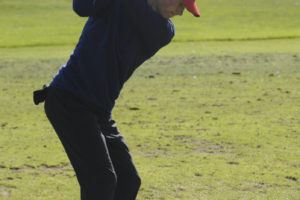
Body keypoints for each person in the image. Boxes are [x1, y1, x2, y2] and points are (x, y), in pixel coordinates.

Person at [34, 0, 200, 199]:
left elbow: (133, 8)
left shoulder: (163, 31)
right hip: (68, 100)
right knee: (101, 180)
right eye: (181, 5)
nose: (180, 13)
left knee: (128, 180)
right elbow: (81, 7)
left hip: (99, 111)